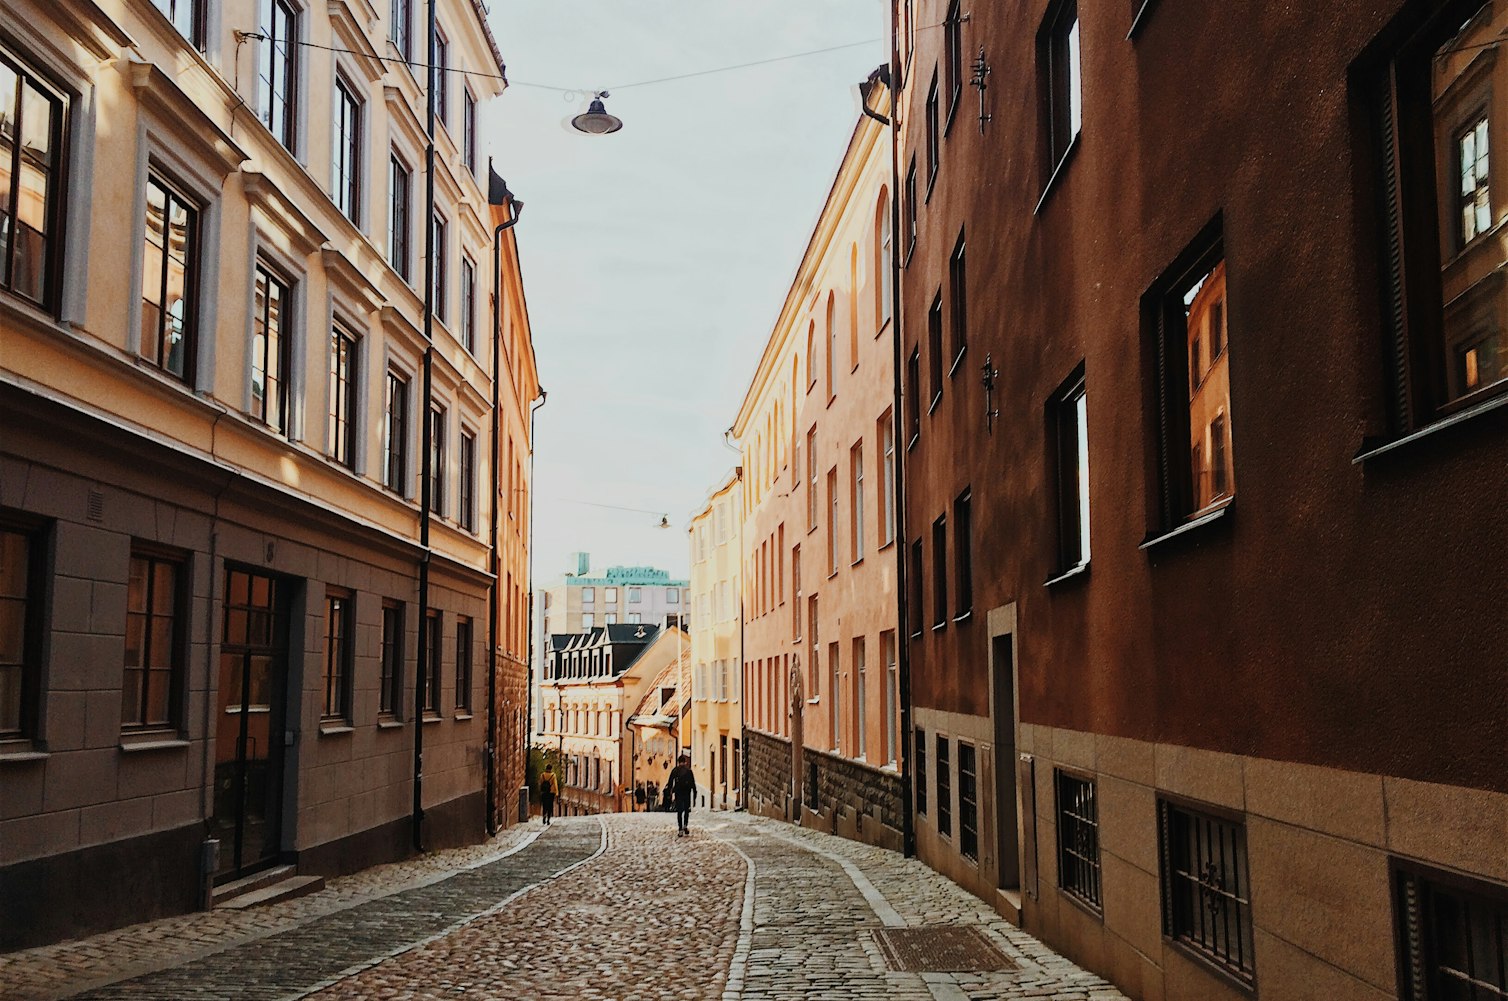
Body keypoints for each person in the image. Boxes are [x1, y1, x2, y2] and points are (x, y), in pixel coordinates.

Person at [667, 753, 697, 836]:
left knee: (679, 811)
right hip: (687, 792)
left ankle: (680, 828)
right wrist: (694, 793)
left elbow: (670, 782)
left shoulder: (675, 770)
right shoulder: (689, 771)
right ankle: (685, 825)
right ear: (685, 762)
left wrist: (669, 792)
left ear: (678, 762)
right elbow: (693, 783)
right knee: (686, 810)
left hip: (678, 792)